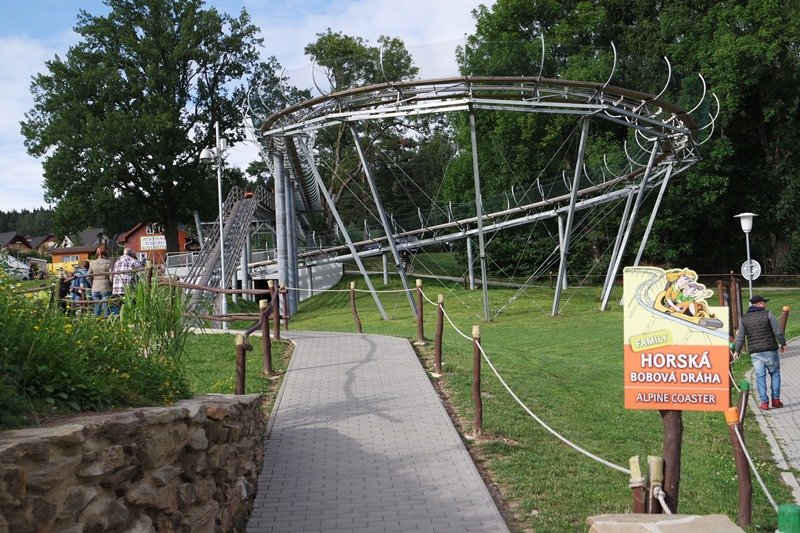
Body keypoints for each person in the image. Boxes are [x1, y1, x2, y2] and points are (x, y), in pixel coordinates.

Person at [732, 295, 787, 410]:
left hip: (755, 353)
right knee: (775, 374)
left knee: (760, 376)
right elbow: (777, 331)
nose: (766, 305)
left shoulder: (744, 318)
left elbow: (740, 337)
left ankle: (764, 403)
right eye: (764, 303)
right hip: (770, 350)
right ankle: (776, 400)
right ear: (759, 303)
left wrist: (737, 350)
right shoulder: (768, 314)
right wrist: (783, 343)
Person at [111, 247, 142, 314]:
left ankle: (118, 322)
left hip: (116, 289)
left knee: (119, 308)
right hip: (128, 289)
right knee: (131, 308)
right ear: (132, 254)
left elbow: (113, 275)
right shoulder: (133, 261)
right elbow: (142, 274)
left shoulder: (116, 262)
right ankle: (129, 321)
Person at [88, 246, 113, 317]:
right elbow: (111, 276)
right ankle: (106, 322)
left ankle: (96, 321)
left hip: (95, 287)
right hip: (105, 286)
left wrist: (92, 282)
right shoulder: (108, 262)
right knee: (105, 305)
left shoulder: (92, 262)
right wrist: (111, 283)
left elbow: (89, 275)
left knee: (97, 305)